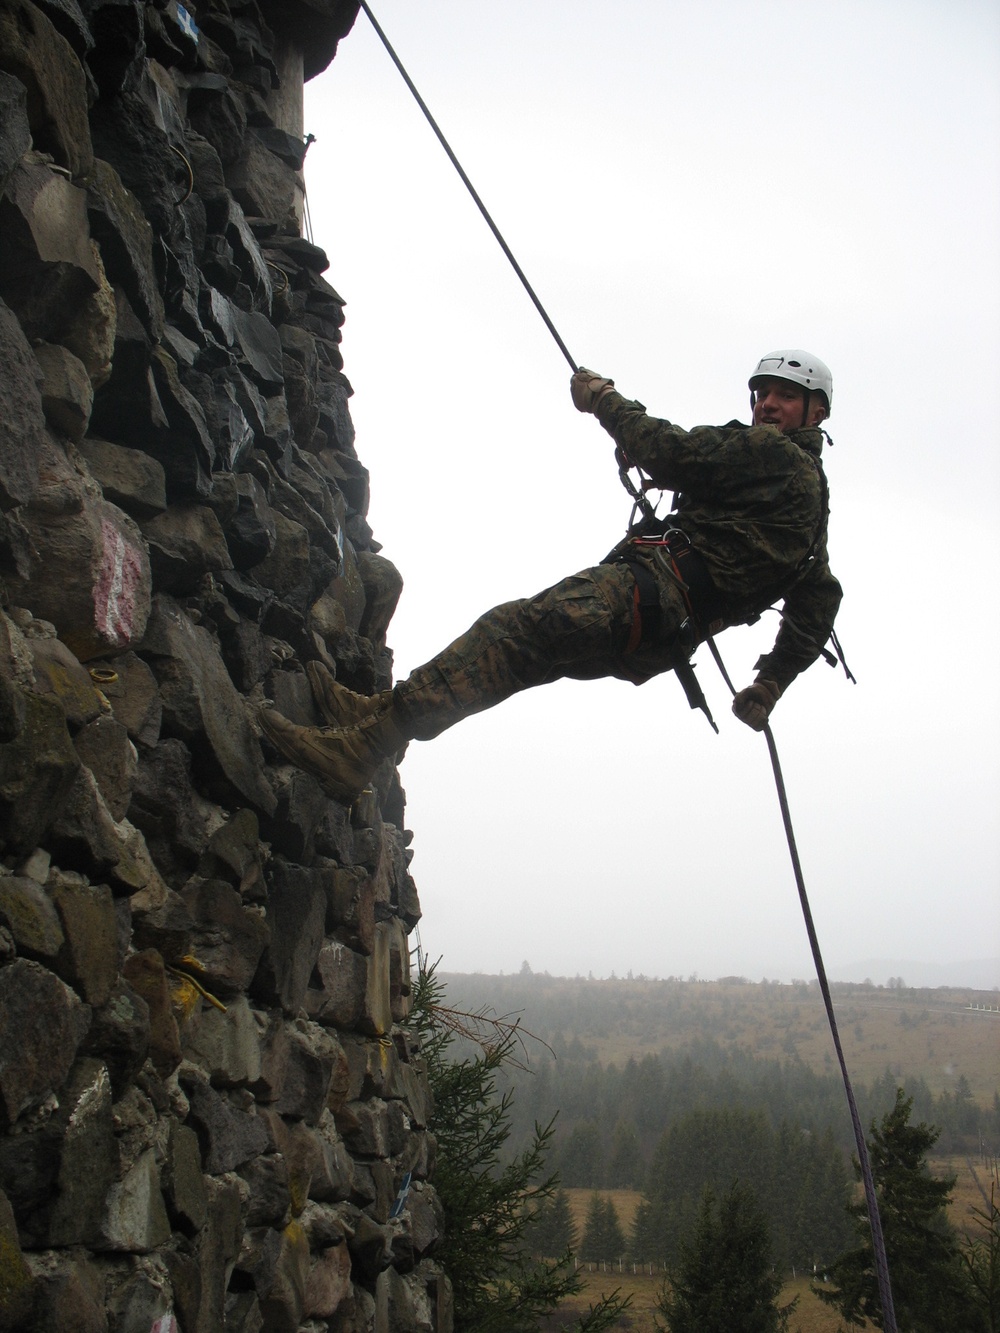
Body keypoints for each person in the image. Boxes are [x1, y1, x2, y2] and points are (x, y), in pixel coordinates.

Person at [259, 349, 843, 803]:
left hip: (641, 596)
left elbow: (671, 453)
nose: (768, 404)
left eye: (787, 397)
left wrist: (604, 399)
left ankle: (364, 747)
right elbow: (817, 603)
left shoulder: (774, 457)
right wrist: (771, 686)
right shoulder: (813, 512)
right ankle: (377, 719)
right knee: (514, 658)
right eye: (764, 393)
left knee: (512, 633)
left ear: (816, 413)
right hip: (658, 636)